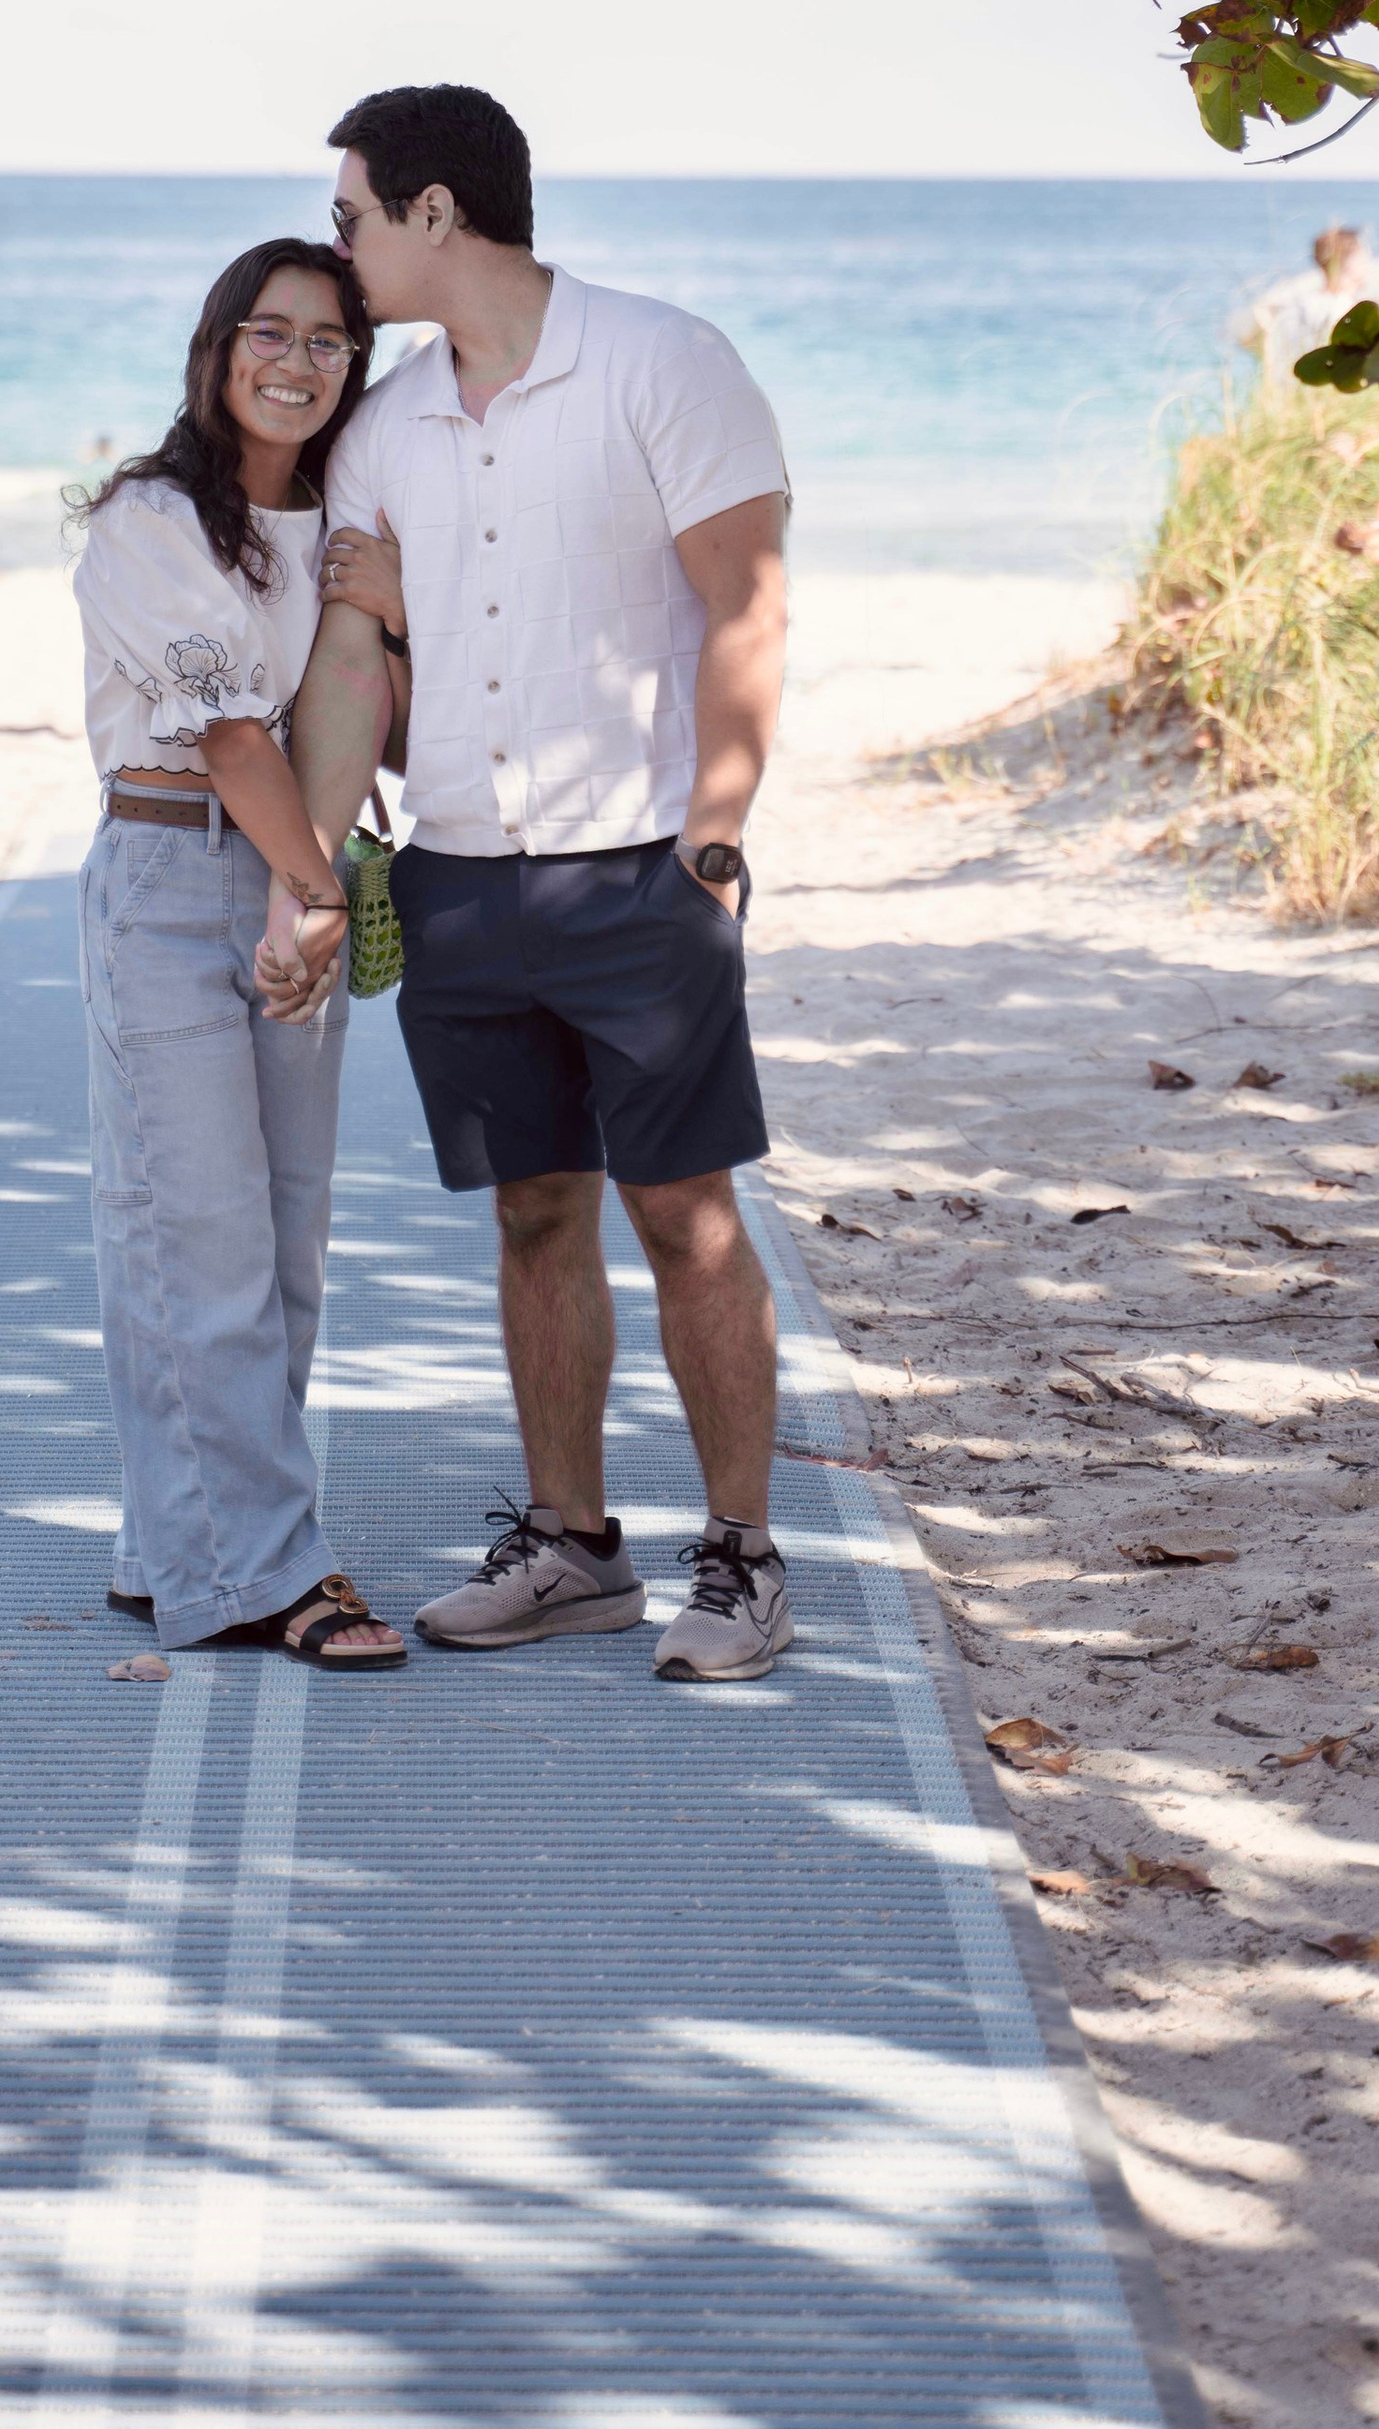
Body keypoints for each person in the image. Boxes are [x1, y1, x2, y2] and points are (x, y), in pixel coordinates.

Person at [269, 88, 795, 1684]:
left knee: (686, 1216)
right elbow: (364, 655)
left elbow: (747, 610)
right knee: (531, 1207)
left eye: (354, 214)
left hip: (641, 866)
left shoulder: (663, 360)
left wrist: (714, 832)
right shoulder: (383, 423)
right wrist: (312, 862)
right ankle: (574, 1546)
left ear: (436, 214)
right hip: (460, 878)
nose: (341, 245)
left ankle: (744, 1559)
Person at [71, 240, 406, 1671]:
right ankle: (280, 1572)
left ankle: (184, 1545)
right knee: (189, 1234)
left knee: (282, 1245)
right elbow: (223, 730)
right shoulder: (150, 518)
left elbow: (385, 711)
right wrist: (313, 888)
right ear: (216, 350)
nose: (295, 360)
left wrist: (389, 600)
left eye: (328, 341)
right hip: (175, 874)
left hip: (291, 868)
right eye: (267, 331)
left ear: (352, 371)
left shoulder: (342, 527)